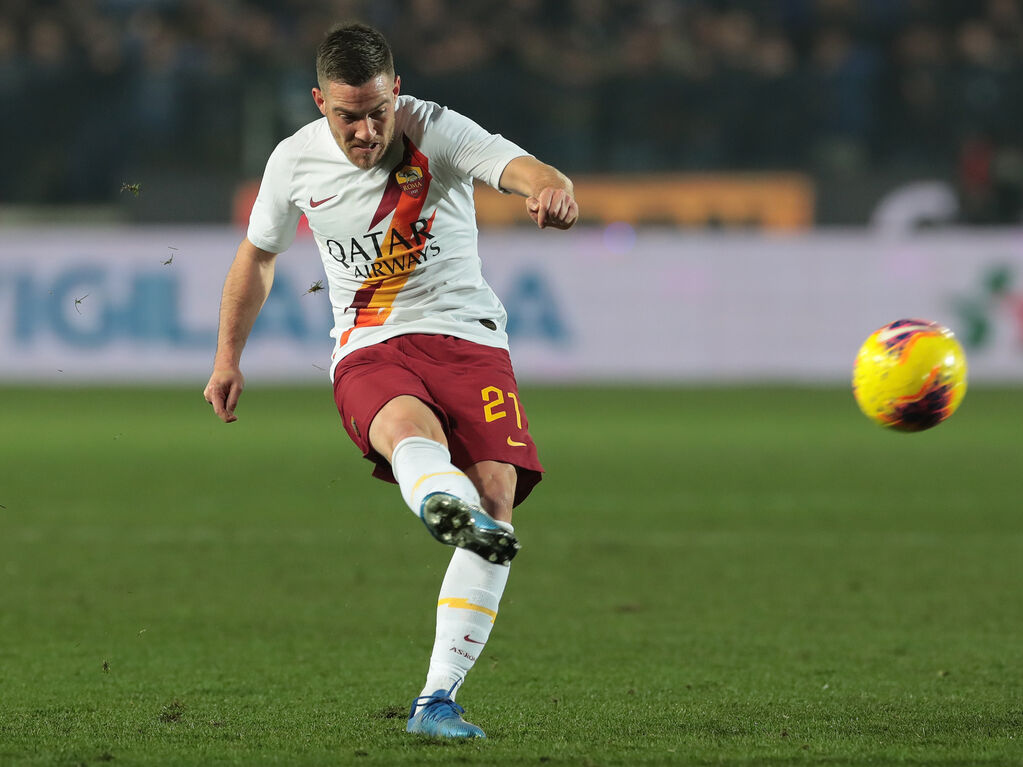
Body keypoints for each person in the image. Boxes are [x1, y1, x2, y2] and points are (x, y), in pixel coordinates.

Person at [203, 22, 578, 739]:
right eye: (348, 115)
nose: (366, 129)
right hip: (371, 347)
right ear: (319, 103)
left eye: (377, 110)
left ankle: (436, 699)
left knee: (497, 502)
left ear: (395, 91)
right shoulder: (295, 163)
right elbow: (255, 258)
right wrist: (227, 357)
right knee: (406, 427)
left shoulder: (437, 130)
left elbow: (527, 169)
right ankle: (443, 500)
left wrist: (551, 192)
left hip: (470, 342)